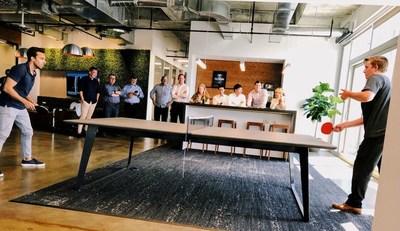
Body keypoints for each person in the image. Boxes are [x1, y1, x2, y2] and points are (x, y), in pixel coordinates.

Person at [332, 56, 391, 214]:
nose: (364, 70)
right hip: (386, 134)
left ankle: (354, 203)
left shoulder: (376, 78)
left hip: (376, 135)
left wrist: (348, 94)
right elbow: (368, 117)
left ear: (376, 67)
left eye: (367, 67)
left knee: (362, 167)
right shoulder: (388, 83)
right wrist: (344, 125)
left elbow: (367, 96)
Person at [0, 47, 47, 177]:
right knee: (2, 135)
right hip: (8, 105)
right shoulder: (19, 69)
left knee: (28, 131)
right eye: (42, 58)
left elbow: (23, 92)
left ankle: (27, 159)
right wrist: (26, 102)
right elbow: (7, 88)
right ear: (32, 58)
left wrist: (33, 102)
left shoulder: (33, 73)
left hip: (20, 107)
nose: (44, 61)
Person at [76, 66, 100, 138]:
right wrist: (83, 99)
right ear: (90, 72)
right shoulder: (84, 79)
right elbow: (80, 90)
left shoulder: (96, 81)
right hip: (86, 100)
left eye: (96, 73)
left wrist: (97, 100)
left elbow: (98, 92)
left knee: (89, 117)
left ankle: (86, 131)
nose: (95, 74)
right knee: (83, 116)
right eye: (94, 72)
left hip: (93, 101)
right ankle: (79, 132)